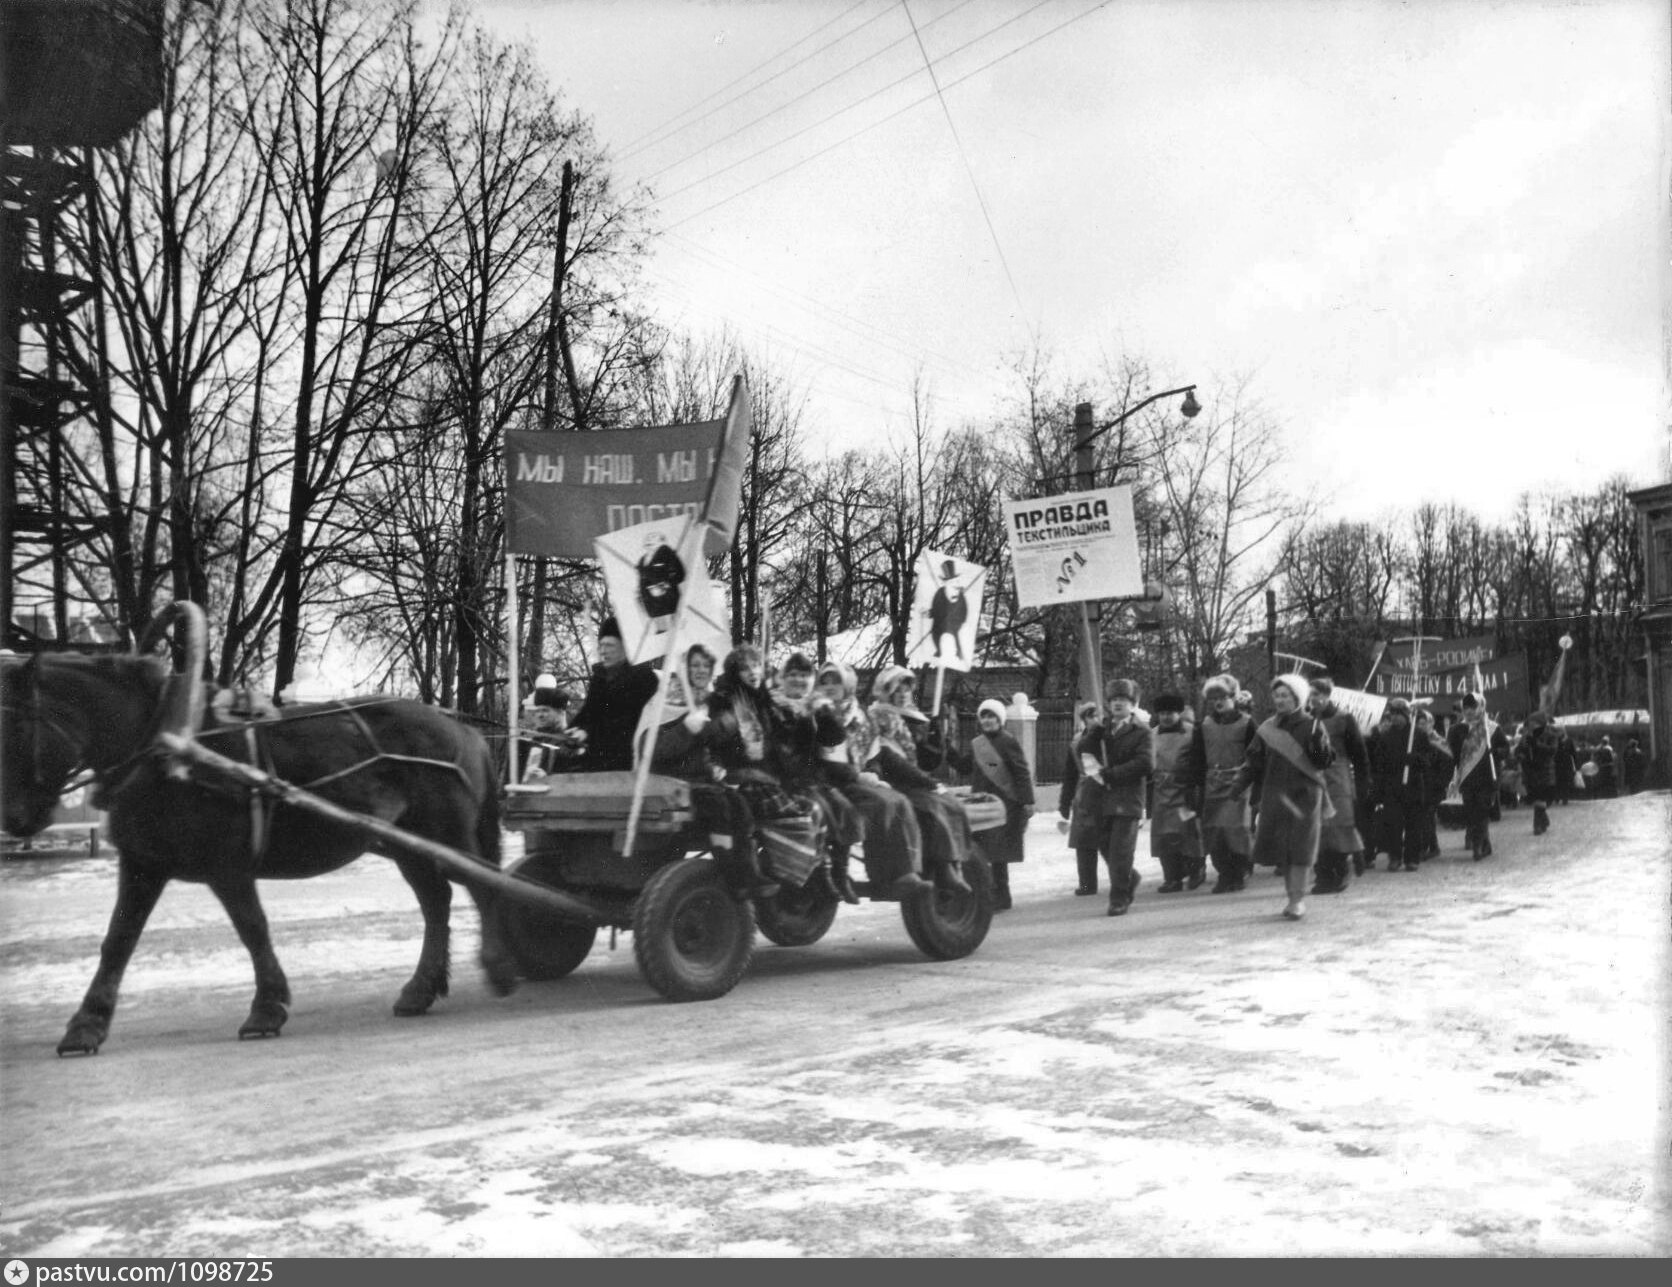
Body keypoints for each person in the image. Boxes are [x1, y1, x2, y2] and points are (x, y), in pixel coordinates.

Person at [639, 647, 779, 900]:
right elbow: (654, 750)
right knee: (719, 806)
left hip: (702, 777)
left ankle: (749, 873)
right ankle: (730, 873)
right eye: (695, 665)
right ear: (685, 669)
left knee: (739, 805)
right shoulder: (667, 702)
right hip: (670, 780)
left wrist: (727, 728)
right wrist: (686, 727)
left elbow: (714, 743)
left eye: (706, 666)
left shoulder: (710, 703)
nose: (701, 671)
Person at [811, 662, 930, 899]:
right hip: (831, 780)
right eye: (825, 682)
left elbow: (873, 753)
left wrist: (873, 773)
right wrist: (859, 776)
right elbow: (824, 759)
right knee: (881, 804)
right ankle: (883, 876)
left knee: (897, 801)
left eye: (836, 681)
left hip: (855, 778)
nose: (830, 687)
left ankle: (902, 873)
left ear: (847, 685)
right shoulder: (819, 712)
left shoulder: (859, 714)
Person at [1234, 674, 1335, 921]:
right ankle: (1292, 897)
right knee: (1284, 850)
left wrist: (1318, 744)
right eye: (1277, 695)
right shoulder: (1267, 728)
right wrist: (1238, 785)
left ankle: (1297, 900)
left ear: (1297, 698)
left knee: (1301, 848)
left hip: (1305, 796)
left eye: (1285, 696)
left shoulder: (1312, 726)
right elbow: (1253, 761)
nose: (1279, 700)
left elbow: (1323, 762)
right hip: (1276, 795)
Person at [867, 666, 974, 893]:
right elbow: (891, 760)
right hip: (892, 781)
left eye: (906, 689)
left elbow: (926, 761)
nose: (902, 694)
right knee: (932, 806)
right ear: (886, 692)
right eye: (897, 689)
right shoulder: (878, 717)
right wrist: (928, 782)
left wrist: (935, 740)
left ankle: (953, 864)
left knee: (951, 804)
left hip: (909, 779)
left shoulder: (907, 717)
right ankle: (944, 868)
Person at [773, 652, 867, 903]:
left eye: (804, 676)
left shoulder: (814, 706)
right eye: (792, 675)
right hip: (783, 778)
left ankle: (840, 873)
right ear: (783, 678)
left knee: (845, 809)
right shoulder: (775, 706)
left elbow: (834, 739)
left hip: (811, 778)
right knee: (821, 811)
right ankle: (822, 874)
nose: (798, 680)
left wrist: (824, 714)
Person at [1072, 677, 1153, 917]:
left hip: (1128, 799)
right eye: (1114, 699)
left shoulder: (1141, 732)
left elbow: (1145, 763)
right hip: (1101, 798)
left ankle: (1119, 898)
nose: (1118, 704)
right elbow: (1082, 752)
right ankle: (1130, 878)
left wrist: (1113, 774)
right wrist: (1092, 734)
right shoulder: (1102, 729)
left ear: (1133, 703)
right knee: (1106, 847)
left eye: (1124, 700)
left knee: (1120, 851)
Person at [1180, 674, 1256, 894]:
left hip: (1239, 784)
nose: (1217, 702)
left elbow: (1257, 756)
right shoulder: (1204, 725)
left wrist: (1254, 783)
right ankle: (1224, 873)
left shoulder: (1248, 723)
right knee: (1214, 831)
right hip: (1213, 784)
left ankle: (1239, 872)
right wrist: (1192, 787)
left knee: (1235, 829)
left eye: (1222, 697)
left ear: (1233, 697)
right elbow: (1196, 759)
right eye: (1213, 699)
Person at [960, 698, 1035, 911]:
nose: (987, 720)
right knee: (984, 850)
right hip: (982, 803)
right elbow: (964, 767)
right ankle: (991, 894)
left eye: (991, 716)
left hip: (1003, 804)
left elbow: (1021, 772)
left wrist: (1027, 801)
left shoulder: (1007, 741)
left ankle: (1002, 896)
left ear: (1000, 719)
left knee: (998, 853)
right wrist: (947, 750)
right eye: (983, 716)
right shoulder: (977, 743)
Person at [568, 616, 659, 771]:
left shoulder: (644, 678)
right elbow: (588, 713)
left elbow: (627, 722)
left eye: (609, 645)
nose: (603, 651)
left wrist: (588, 732)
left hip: (625, 761)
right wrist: (574, 729)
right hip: (593, 758)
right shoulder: (600, 678)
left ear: (625, 646)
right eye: (601, 645)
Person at [1305, 676, 1369, 894]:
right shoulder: (1307, 720)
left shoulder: (1344, 719)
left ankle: (1340, 873)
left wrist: (1362, 785)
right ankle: (1323, 876)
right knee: (1319, 829)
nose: (1312, 699)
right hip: (1315, 778)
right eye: (1309, 695)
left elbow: (1359, 755)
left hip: (1338, 779)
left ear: (1326, 695)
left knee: (1338, 828)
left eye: (1316, 694)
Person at [1148, 693, 1205, 893]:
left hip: (1184, 791)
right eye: (1162, 713)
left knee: (1189, 833)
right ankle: (1172, 878)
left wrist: (1192, 785)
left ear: (1179, 713)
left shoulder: (1192, 733)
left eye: (1170, 713)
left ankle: (1196, 871)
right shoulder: (1151, 734)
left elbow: (1199, 762)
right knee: (1164, 836)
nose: (1166, 717)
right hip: (1161, 792)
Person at [1447, 692, 1510, 859]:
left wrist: (1495, 752)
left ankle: (1477, 846)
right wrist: (1451, 777)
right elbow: (1451, 755)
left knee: (1482, 810)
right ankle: (1484, 842)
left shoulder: (1492, 729)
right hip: (1467, 778)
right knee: (1471, 812)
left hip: (1487, 778)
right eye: (1466, 707)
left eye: (1473, 706)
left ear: (1481, 707)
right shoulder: (1456, 730)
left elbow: (1506, 749)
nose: (1469, 711)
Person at [1058, 701, 1107, 896]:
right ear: (1084, 719)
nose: (1094, 720)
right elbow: (1070, 774)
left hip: (1106, 791)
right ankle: (1087, 884)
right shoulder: (1077, 741)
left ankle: (1124, 879)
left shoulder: (1108, 737)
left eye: (1097, 715)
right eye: (1090, 716)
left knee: (1109, 841)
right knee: (1083, 840)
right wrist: (1064, 802)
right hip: (1084, 793)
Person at [1412, 707, 1453, 861]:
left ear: (1431, 723)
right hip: (1419, 784)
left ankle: (1427, 847)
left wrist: (1441, 782)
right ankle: (1432, 846)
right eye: (1419, 724)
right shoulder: (1414, 741)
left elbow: (1448, 765)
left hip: (1433, 786)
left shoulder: (1439, 742)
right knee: (1422, 816)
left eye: (1424, 723)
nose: (1421, 726)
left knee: (1427, 816)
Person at [520, 674, 577, 781]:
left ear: (560, 713)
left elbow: (573, 779)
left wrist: (548, 778)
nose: (540, 715)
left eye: (545, 710)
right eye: (538, 711)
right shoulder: (534, 740)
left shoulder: (569, 742)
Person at [1517, 710, 1561, 835]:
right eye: (1531, 722)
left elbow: (1552, 750)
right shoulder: (1526, 736)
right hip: (1530, 771)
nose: (1532, 725)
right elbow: (1519, 750)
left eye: (1534, 722)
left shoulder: (1551, 735)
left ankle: (1537, 825)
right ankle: (1542, 821)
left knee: (1541, 797)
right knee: (1536, 798)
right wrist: (1520, 755)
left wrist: (1537, 745)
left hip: (1544, 771)